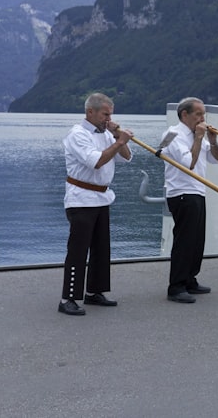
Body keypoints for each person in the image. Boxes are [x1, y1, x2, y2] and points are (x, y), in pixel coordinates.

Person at [58, 92, 133, 316]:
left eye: (111, 114)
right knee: (78, 250)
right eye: (105, 114)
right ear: (90, 112)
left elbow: (126, 157)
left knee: (101, 248)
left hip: (101, 197)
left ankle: (94, 291)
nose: (108, 119)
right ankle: (68, 297)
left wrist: (118, 136)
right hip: (81, 198)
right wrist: (119, 140)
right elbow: (96, 161)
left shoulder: (107, 134)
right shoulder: (77, 134)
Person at [161, 97, 218, 303]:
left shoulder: (199, 136)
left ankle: (189, 279)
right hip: (182, 192)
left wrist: (212, 140)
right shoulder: (174, 134)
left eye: (203, 114)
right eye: (198, 114)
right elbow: (189, 164)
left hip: (198, 190)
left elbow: (215, 159)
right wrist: (198, 138)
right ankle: (176, 286)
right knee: (184, 240)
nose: (202, 118)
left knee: (196, 240)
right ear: (184, 114)